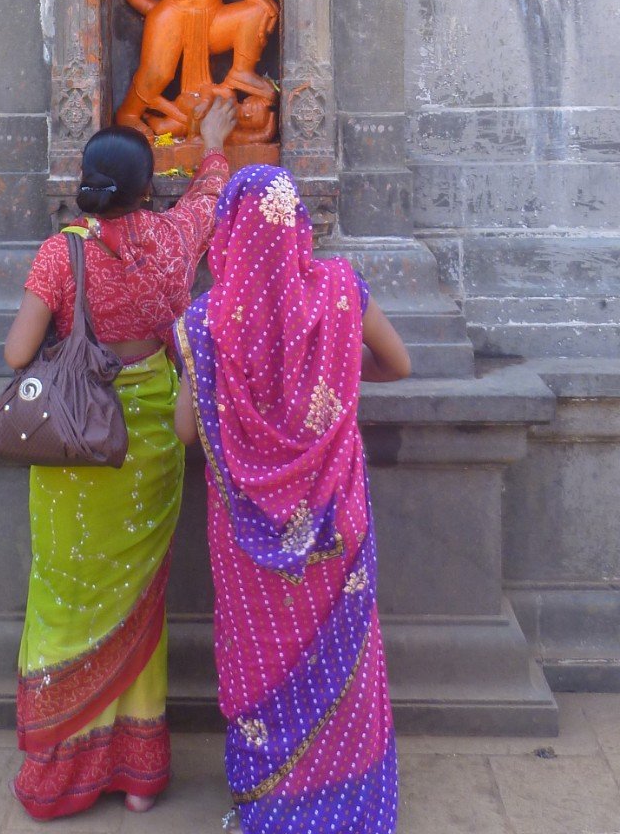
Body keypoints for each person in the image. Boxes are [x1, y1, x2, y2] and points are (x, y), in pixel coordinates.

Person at [4, 96, 238, 821]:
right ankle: (140, 777)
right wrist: (211, 142)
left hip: (77, 442)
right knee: (143, 603)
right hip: (152, 440)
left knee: (66, 597)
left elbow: (16, 354)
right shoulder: (172, 242)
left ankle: (63, 776)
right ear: (146, 187)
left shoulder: (60, 252)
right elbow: (209, 196)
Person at [174, 165, 412, 833]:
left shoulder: (205, 322)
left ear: (227, 232)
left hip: (248, 526)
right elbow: (399, 364)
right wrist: (331, 368)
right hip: (336, 509)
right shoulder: (342, 291)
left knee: (261, 655)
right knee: (346, 658)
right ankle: (353, 801)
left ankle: (275, 802)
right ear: (299, 224)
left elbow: (185, 429)